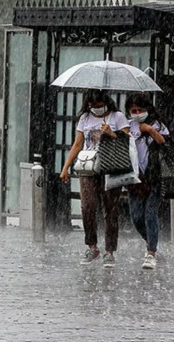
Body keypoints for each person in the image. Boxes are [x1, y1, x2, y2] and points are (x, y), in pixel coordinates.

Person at [60, 89, 130, 268]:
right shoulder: (85, 118)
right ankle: (92, 246)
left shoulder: (118, 117)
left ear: (105, 102)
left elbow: (128, 141)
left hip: (110, 166)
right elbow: (78, 143)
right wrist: (66, 167)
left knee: (110, 209)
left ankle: (110, 250)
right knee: (88, 206)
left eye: (98, 105)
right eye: (92, 105)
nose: (95, 109)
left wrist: (111, 134)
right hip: (89, 166)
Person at [125, 93, 168, 269]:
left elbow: (164, 142)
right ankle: (151, 241)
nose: (137, 113)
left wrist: (149, 130)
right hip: (135, 178)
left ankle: (151, 252)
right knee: (136, 216)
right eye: (133, 110)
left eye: (140, 110)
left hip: (155, 177)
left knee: (150, 213)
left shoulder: (157, 124)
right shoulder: (128, 126)